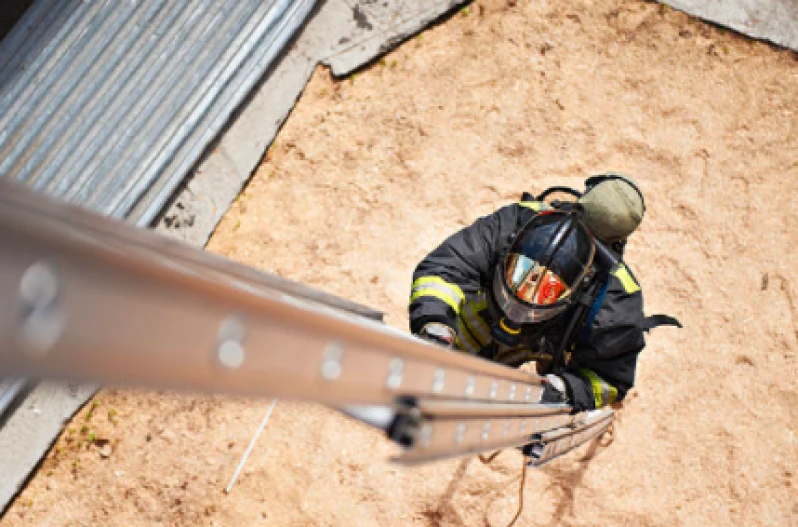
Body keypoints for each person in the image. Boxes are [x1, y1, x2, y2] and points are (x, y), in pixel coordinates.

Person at [408, 174, 678, 412]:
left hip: (542, 346)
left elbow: (609, 379)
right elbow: (447, 267)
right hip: (480, 318)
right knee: (444, 361)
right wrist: (435, 324)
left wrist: (565, 390)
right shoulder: (517, 221)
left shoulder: (616, 298)